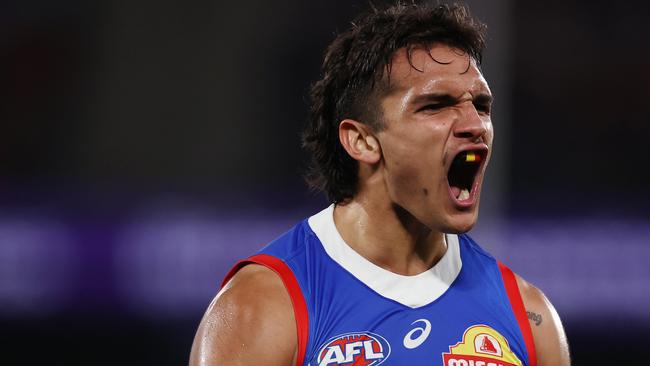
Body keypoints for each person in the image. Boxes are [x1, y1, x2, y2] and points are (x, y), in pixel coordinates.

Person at [190, 3, 570, 366]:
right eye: (436, 105)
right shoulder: (264, 305)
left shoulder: (528, 316)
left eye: (481, 106)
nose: (475, 125)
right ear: (362, 140)